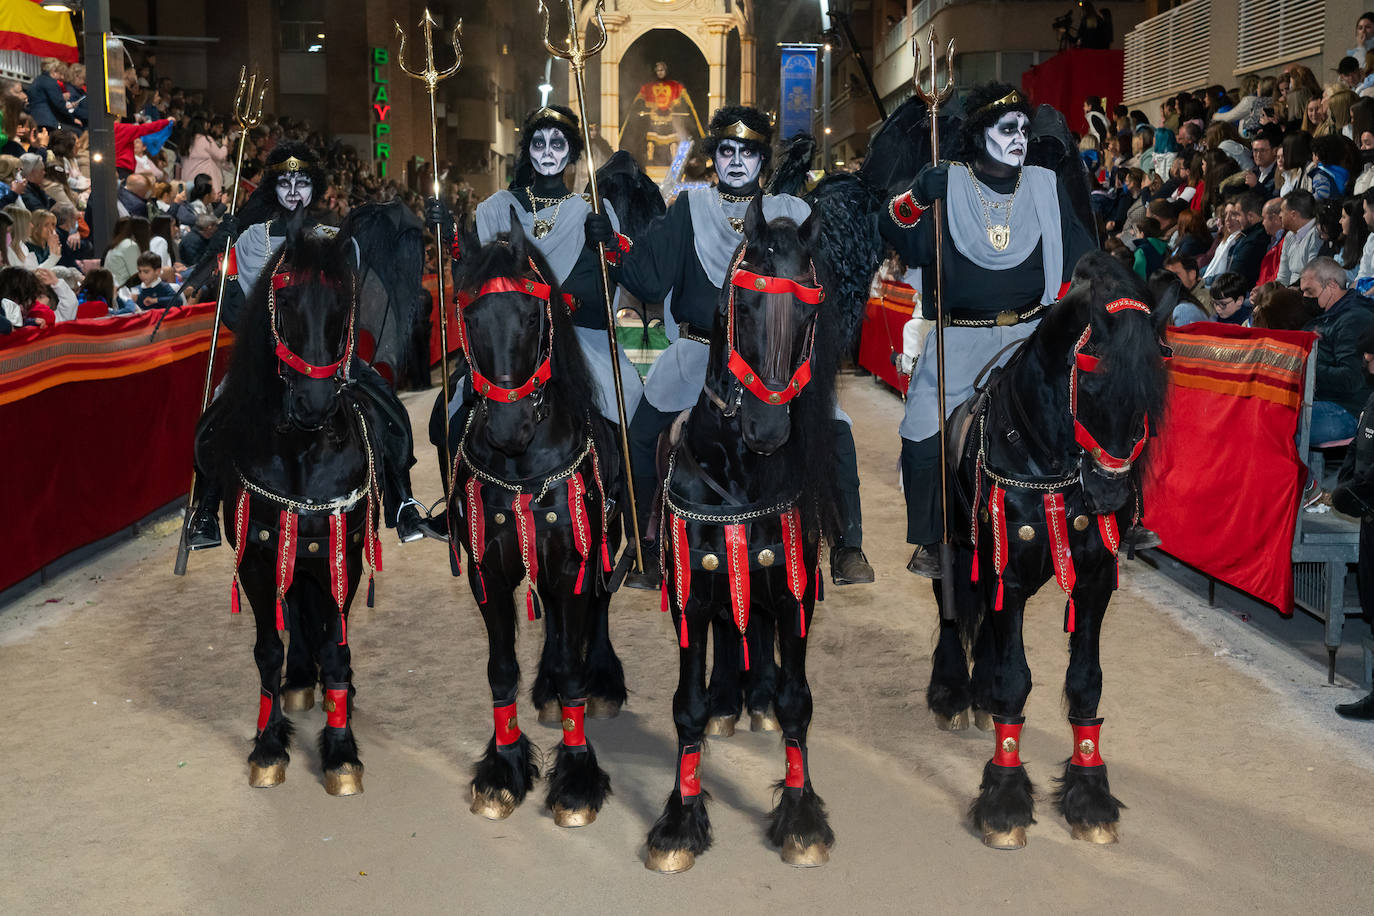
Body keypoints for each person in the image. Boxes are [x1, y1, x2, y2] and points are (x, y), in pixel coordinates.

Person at [617, 104, 875, 586]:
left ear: (762, 159)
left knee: (836, 425)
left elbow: (819, 293)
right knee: (639, 433)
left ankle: (848, 544)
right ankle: (645, 543)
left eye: (749, 152)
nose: (737, 161)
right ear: (714, 157)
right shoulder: (690, 211)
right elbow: (649, 283)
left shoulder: (793, 213)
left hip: (773, 354)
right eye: (727, 151)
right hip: (699, 354)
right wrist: (611, 246)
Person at [880, 83, 1096, 576]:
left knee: (1100, 409)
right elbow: (892, 226)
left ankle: (1111, 516)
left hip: (1032, 338)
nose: (1020, 137)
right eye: (1007, 128)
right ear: (979, 136)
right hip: (958, 342)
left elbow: (1082, 255)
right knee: (919, 428)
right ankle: (931, 537)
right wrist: (916, 197)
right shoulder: (945, 180)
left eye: (1024, 128)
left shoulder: (1044, 184)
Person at [184, 143, 431, 550]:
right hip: (267, 359)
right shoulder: (249, 240)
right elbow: (236, 317)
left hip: (327, 356)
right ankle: (207, 509)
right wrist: (225, 262)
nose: (294, 191)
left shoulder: (336, 240)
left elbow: (346, 305)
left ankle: (402, 502)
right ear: (273, 188)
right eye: (285, 182)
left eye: (302, 182)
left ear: (314, 188)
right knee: (219, 407)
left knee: (387, 404)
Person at [1331, 325, 1374, 720]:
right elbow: (1358, 446)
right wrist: (1347, 485)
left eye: (1371, 354)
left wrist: (1353, 492)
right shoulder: (1372, 398)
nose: (1366, 360)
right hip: (1369, 521)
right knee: (1372, 606)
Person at [1300, 257, 1374, 444]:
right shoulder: (1328, 317)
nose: (1306, 298)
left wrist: (1305, 367)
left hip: (1346, 409)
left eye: (1310, 291)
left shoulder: (1354, 319)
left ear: (1331, 285)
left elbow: (1351, 378)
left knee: (1275, 424)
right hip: (1319, 401)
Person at [1228, 189, 1273, 291]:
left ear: (1251, 216)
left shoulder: (1256, 240)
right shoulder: (1249, 235)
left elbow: (1235, 275)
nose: (1236, 219)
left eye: (1238, 215)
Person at [1277, 190, 1323, 285]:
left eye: (1282, 211)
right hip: (1289, 293)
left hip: (1304, 294)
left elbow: (1312, 278)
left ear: (1293, 214)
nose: (1279, 215)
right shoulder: (1289, 236)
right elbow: (1283, 277)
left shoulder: (1317, 235)